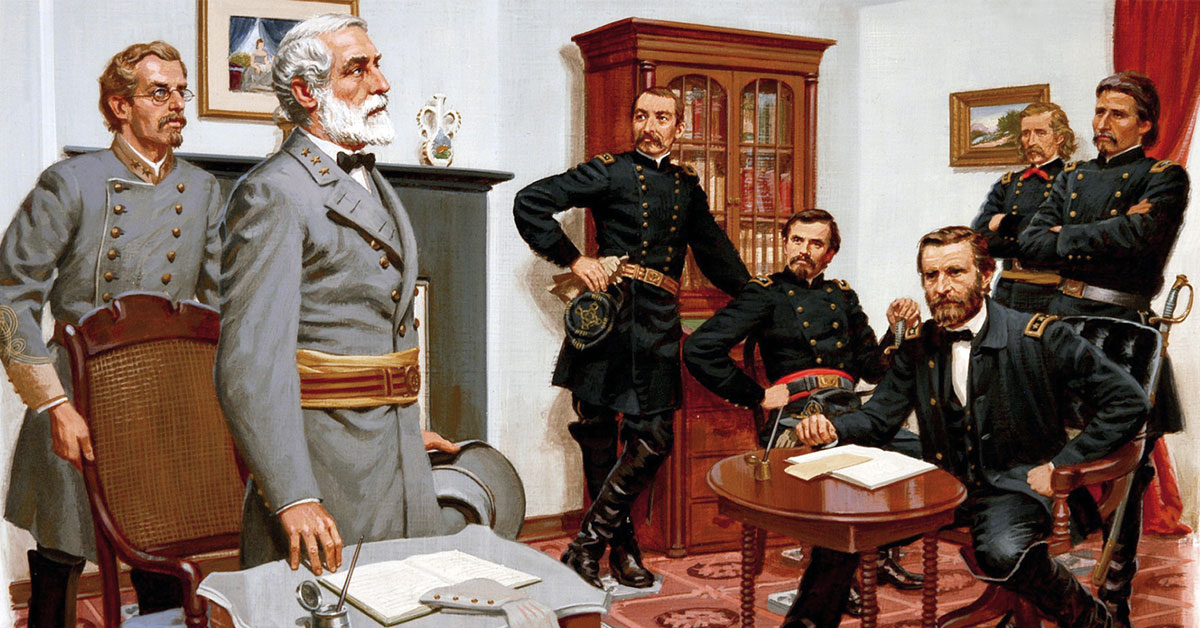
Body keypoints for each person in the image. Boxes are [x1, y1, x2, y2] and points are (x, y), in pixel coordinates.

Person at [787, 226, 1148, 628]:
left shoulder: (1040, 335)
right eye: (931, 276)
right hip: (945, 483)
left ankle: (1095, 622)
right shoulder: (919, 345)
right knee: (845, 524)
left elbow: (1129, 401)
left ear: (986, 275)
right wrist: (831, 428)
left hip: (1019, 487)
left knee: (1001, 551)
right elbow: (878, 417)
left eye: (955, 272)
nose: (942, 287)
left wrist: (1062, 463)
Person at [216, 13, 456, 573]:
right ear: (307, 93)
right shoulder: (273, 193)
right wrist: (293, 494)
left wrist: (402, 428)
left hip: (389, 444)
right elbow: (250, 366)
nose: (382, 83)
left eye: (377, 65)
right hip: (326, 466)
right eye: (358, 69)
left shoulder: (366, 175)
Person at [0, 41, 223, 626]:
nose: (177, 105)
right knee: (62, 549)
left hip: (166, 398)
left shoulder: (203, 190)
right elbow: (11, 296)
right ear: (120, 106)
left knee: (164, 550)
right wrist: (54, 406)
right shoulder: (70, 182)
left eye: (181, 92)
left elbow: (218, 304)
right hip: (79, 393)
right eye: (160, 93)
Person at [513, 87, 749, 588]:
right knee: (598, 437)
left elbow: (715, 252)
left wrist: (757, 295)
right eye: (642, 115)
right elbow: (529, 201)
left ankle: (585, 547)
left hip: (658, 323)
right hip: (606, 319)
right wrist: (575, 258)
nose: (650, 126)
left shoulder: (687, 187)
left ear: (679, 128)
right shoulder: (610, 171)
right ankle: (622, 551)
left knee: (654, 438)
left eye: (662, 117)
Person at [682, 208, 924, 612]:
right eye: (797, 240)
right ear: (785, 243)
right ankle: (839, 574)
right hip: (796, 420)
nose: (804, 250)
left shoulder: (843, 296)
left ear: (830, 254)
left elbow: (872, 369)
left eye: (815, 244)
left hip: (850, 413)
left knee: (924, 456)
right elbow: (699, 348)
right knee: (839, 464)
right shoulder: (765, 292)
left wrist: (894, 329)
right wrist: (756, 396)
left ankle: (875, 551)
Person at [1018, 71, 1189, 628]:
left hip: (1121, 330)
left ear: (1145, 124)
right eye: (1098, 112)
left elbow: (1139, 240)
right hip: (1061, 321)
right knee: (1033, 443)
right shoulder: (1070, 175)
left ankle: (1115, 589)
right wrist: (1107, 230)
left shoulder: (1164, 177)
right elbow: (1030, 243)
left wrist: (1067, 238)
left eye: (1117, 114)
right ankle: (1034, 579)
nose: (1103, 124)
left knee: (1126, 464)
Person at [971, 102, 1076, 312]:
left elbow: (1060, 243)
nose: (1031, 141)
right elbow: (980, 237)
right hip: (1006, 290)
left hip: (1052, 292)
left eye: (1040, 133)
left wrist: (1003, 222)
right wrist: (1035, 234)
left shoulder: (1074, 179)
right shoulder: (1008, 182)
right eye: (1026, 133)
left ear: (1059, 137)